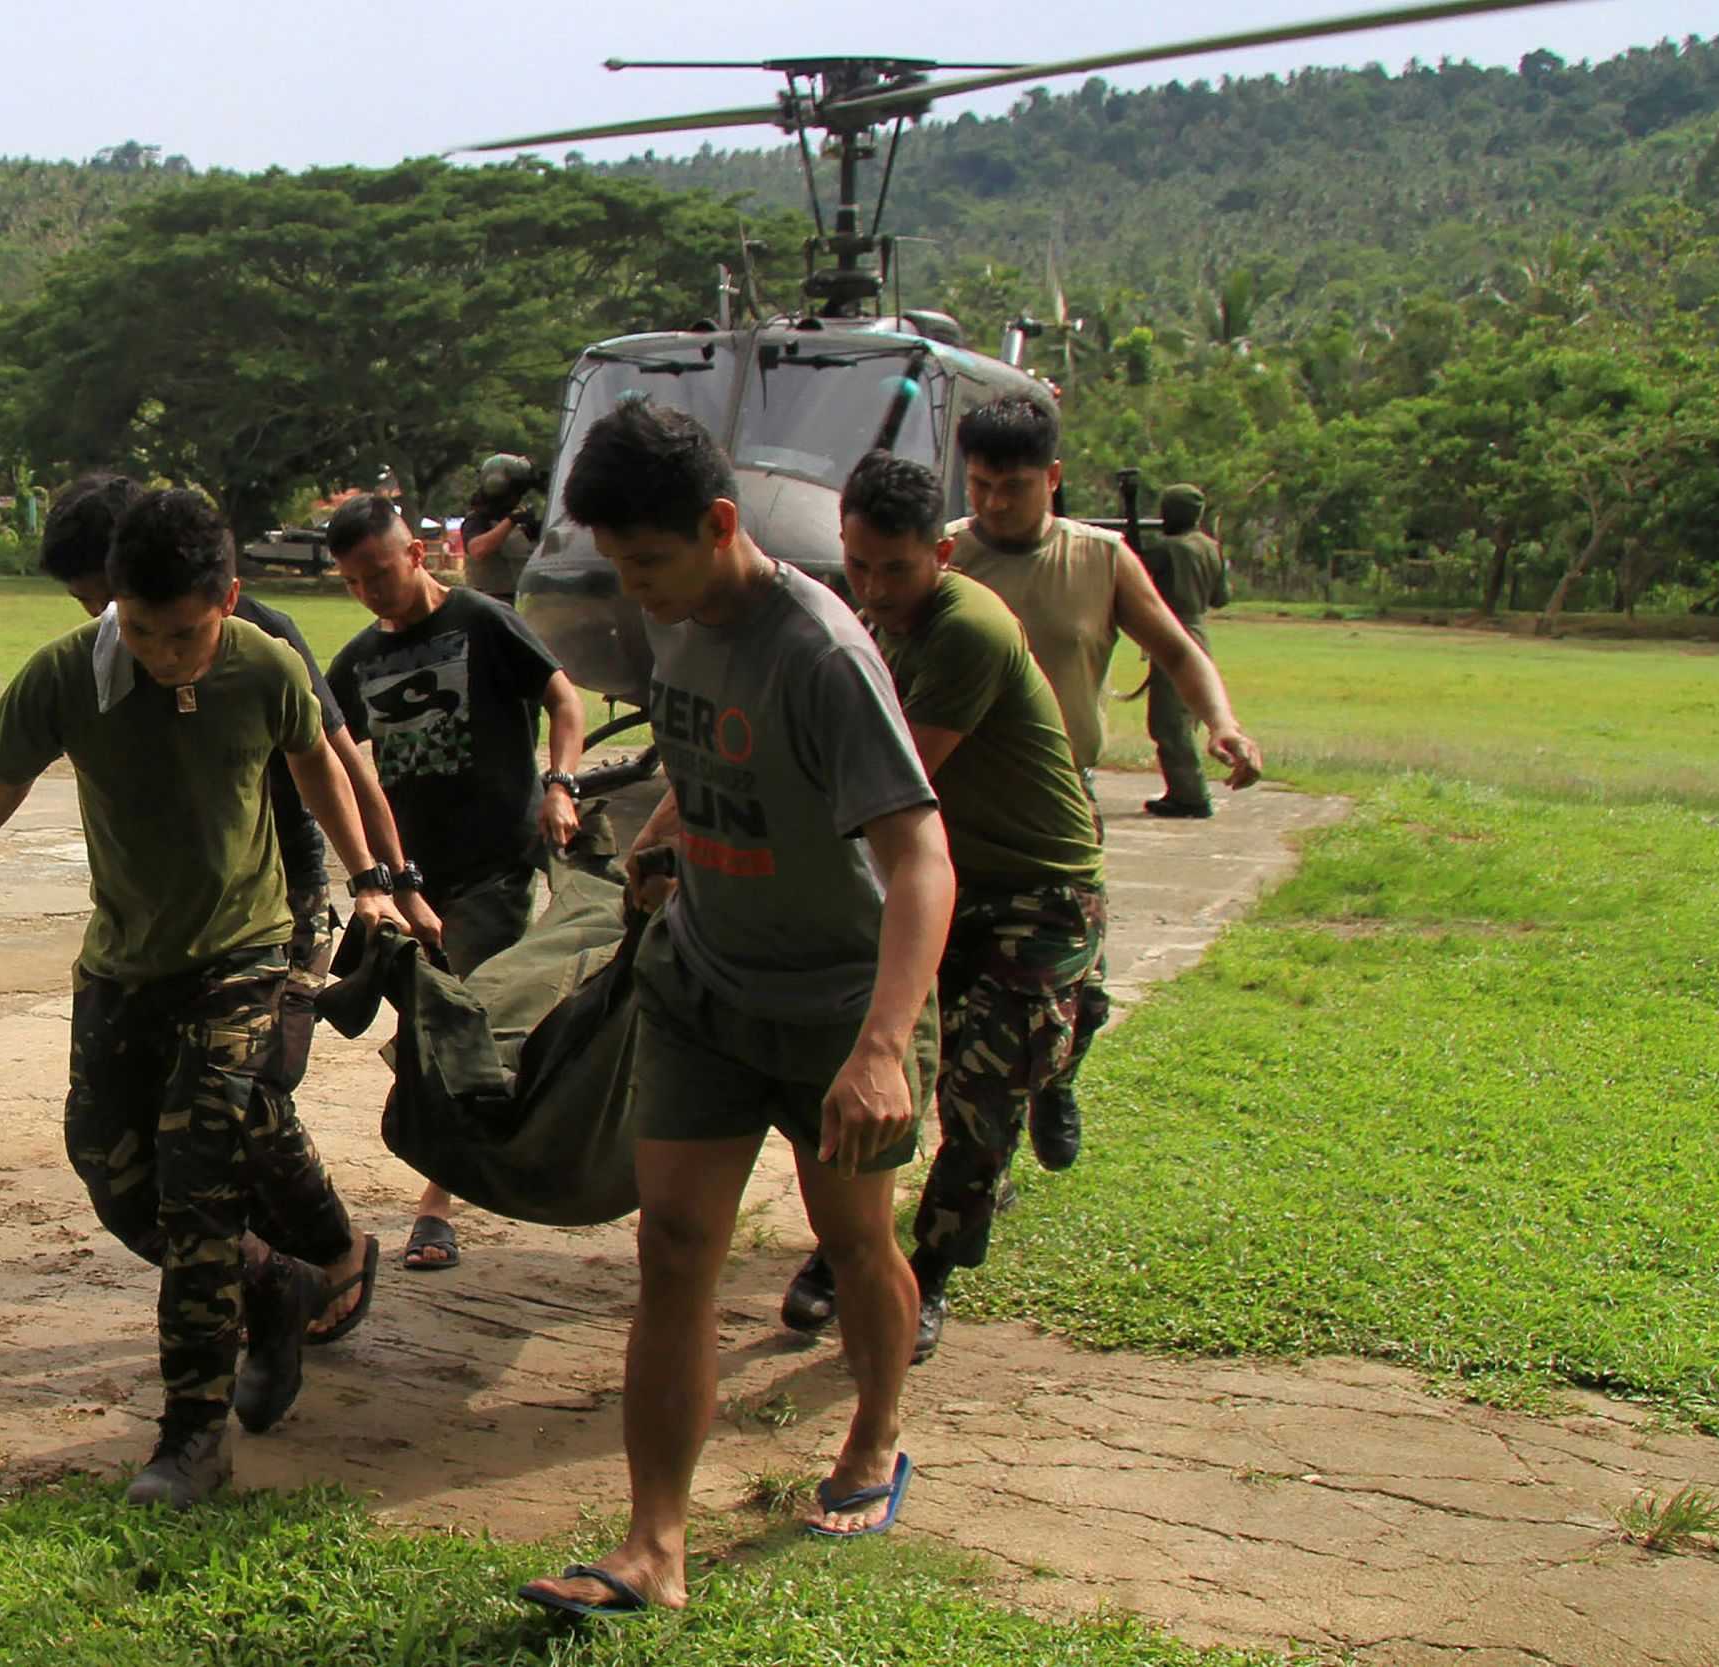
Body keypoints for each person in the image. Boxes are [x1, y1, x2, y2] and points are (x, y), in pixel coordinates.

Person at [0, 488, 408, 1509]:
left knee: (199, 1161)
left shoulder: (266, 666)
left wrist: (371, 881)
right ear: (112, 603)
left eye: (184, 633)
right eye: (141, 629)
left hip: (246, 951)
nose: (163, 652)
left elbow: (317, 765)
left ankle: (192, 1436)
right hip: (124, 961)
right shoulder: (66, 678)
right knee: (111, 1172)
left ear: (230, 600)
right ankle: (277, 1281)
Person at [516, 402, 954, 1620]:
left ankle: (874, 1433)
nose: (632, 588)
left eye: (648, 561)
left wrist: (879, 1048)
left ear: (719, 526)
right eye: (615, 564)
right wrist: (665, 837)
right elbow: (704, 761)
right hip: (706, 987)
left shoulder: (818, 653)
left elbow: (921, 859)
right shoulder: (677, 624)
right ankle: (653, 1542)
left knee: (854, 1238)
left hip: (832, 1007)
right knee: (671, 1249)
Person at [776, 451, 1108, 1366]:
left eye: (898, 568)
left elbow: (890, 780)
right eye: (861, 566)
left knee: (981, 1095)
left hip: (1036, 893)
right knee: (884, 1072)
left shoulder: (968, 627)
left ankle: (926, 1270)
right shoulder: (866, 623)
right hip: (939, 881)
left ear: (944, 555)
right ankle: (852, 1248)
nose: (876, 589)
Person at [938, 392, 1259, 1173]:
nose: (992, 502)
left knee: (1079, 988)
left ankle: (1058, 1079)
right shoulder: (941, 552)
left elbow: (1180, 654)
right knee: (961, 995)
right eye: (978, 484)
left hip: (1061, 804)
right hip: (955, 797)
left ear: (1051, 478)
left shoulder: (1100, 559)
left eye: (1011, 485)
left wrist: (1221, 723)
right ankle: (980, 1156)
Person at [325, 494, 587, 1273]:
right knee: (439, 1026)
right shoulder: (360, 660)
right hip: (416, 883)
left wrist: (561, 783)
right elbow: (328, 751)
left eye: (380, 571)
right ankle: (482, 1150)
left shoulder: (480, 621)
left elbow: (564, 699)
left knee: (456, 1025)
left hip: (496, 867)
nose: (373, 591)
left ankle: (438, 1204)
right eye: (355, 582)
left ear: (415, 554)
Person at [37, 474, 444, 969]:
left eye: (111, 600)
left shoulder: (263, 645)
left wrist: (393, 882)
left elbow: (341, 763)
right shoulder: (103, 654)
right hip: (174, 910)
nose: (109, 621)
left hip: (281, 885)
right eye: (90, 606)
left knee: (271, 1036)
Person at [1134, 484, 1233, 818]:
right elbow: (1221, 598)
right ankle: (1183, 789)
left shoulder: (1169, 548)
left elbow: (1139, 577)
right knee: (1184, 717)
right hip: (1199, 633)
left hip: (1172, 633)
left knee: (1168, 722)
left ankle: (1190, 795)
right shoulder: (1211, 548)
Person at [459, 454, 541, 604]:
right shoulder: (477, 520)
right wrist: (510, 521)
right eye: (516, 491)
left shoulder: (520, 523)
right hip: (489, 603)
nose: (518, 497)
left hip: (520, 600)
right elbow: (477, 549)